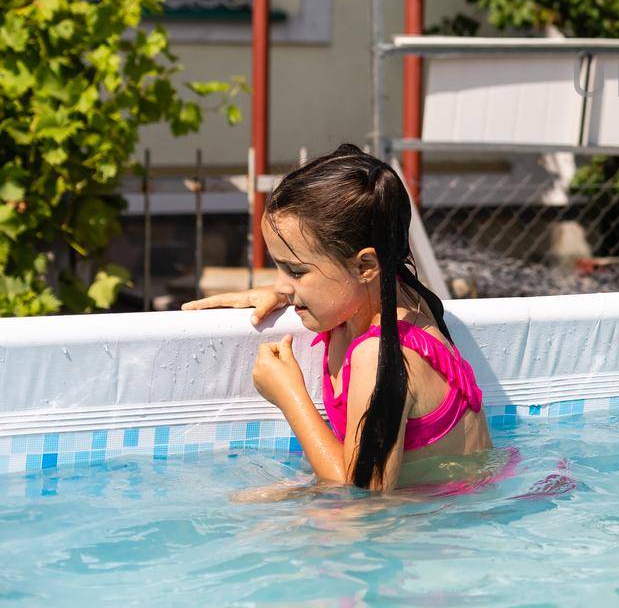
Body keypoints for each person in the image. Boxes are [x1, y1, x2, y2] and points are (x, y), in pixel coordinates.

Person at [184, 145, 492, 488]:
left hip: (443, 523)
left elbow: (363, 496)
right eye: (278, 267)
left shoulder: (379, 355)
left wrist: (290, 396)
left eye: (296, 271)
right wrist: (284, 291)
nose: (282, 285)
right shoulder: (392, 291)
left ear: (365, 266)